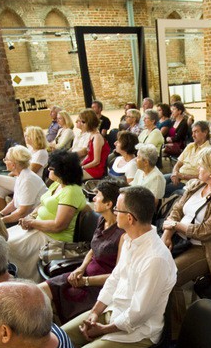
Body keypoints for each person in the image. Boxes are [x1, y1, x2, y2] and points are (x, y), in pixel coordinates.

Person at [61, 186, 176, 348]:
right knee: (58, 339)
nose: (114, 212)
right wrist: (94, 312)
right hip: (113, 311)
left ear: (129, 218)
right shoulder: (131, 239)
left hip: (137, 333)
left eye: (117, 210)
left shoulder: (155, 259)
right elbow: (115, 279)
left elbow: (139, 314)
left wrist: (103, 330)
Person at [162, 147, 211, 330]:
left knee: (167, 278)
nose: (198, 168)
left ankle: (178, 332)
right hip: (181, 241)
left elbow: (206, 231)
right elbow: (176, 209)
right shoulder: (198, 185)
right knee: (152, 268)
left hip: (206, 250)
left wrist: (175, 226)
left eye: (202, 165)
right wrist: (167, 234)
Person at [41, 182, 124, 324]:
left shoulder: (122, 233)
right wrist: (81, 268)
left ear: (108, 204)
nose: (93, 199)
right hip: (84, 275)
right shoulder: (102, 220)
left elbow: (117, 277)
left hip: (98, 287)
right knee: (39, 292)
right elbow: (93, 249)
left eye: (97, 196)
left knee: (52, 306)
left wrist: (85, 281)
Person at [8, 151, 87, 280]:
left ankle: (23, 281)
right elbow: (43, 203)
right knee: (3, 239)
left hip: (53, 237)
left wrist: (32, 223)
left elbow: (58, 226)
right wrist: (31, 216)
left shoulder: (71, 191)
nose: (48, 169)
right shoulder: (57, 184)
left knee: (9, 246)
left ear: (62, 171)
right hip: (39, 228)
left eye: (51, 168)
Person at [167, 120, 211, 195]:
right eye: (192, 132)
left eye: (196, 132)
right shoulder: (190, 146)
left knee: (162, 188)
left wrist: (183, 176)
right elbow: (178, 164)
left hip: (188, 183)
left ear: (205, 133)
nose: (193, 135)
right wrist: (174, 173)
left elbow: (203, 177)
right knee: (156, 181)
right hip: (178, 175)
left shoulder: (208, 151)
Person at [79, 108, 110, 179]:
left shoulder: (97, 138)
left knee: (68, 176)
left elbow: (96, 161)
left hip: (96, 169)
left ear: (89, 122)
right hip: (90, 166)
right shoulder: (91, 135)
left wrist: (82, 167)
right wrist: (80, 164)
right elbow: (89, 155)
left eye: (83, 122)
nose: (81, 124)